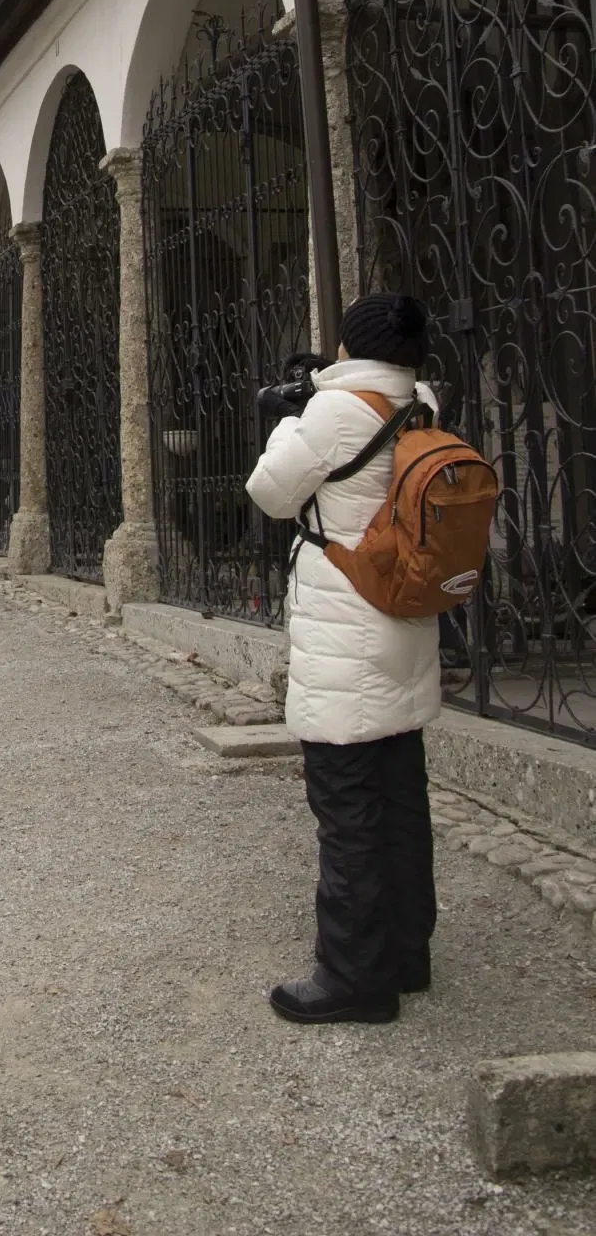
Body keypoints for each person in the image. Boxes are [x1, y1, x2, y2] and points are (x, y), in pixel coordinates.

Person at [246, 292, 440, 1025]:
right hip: (399, 615)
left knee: (346, 803)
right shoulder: (419, 402)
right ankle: (406, 953)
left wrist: (293, 419)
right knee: (398, 793)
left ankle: (356, 978)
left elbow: (268, 494)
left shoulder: (332, 413)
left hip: (343, 625)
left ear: (350, 345)